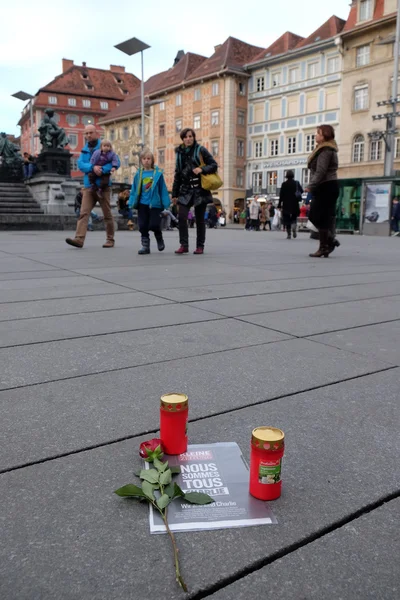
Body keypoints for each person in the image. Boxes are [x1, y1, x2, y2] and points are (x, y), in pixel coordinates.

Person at [65, 125, 120, 249]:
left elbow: (116, 162)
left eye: (91, 132)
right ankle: (79, 239)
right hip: (89, 186)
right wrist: (92, 168)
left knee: (107, 213)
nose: (88, 135)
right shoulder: (84, 150)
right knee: (84, 213)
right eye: (86, 133)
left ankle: (110, 239)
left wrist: (103, 169)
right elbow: (80, 165)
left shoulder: (106, 146)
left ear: (96, 134)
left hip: (103, 186)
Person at [172, 127, 218, 254]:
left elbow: (214, 165)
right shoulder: (180, 154)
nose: (188, 139)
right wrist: (174, 194)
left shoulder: (200, 150)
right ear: (182, 139)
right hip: (185, 189)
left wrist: (202, 169)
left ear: (194, 137)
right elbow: (178, 175)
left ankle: (200, 246)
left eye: (190, 136)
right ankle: (184, 244)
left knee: (199, 219)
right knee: (181, 216)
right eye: (186, 137)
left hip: (200, 188)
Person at [128, 149, 170, 255]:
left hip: (155, 204)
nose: (146, 161)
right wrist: (132, 202)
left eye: (148, 158)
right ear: (141, 160)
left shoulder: (158, 174)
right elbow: (134, 189)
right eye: (144, 159)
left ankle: (159, 237)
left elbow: (163, 189)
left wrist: (166, 204)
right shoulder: (139, 174)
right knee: (142, 226)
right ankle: (145, 246)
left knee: (154, 225)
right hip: (142, 204)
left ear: (152, 160)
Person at [306, 125, 339, 258]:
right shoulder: (324, 149)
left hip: (326, 186)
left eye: (318, 133)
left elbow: (321, 170)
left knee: (315, 216)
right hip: (326, 186)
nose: (316, 135)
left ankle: (328, 243)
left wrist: (311, 185)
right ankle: (325, 246)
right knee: (322, 218)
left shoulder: (325, 150)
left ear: (324, 135)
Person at [278, 170, 303, 239]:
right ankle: (294, 226)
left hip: (286, 204)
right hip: (294, 203)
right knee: (294, 217)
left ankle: (289, 234)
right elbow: (301, 190)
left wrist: (279, 205)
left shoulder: (284, 184)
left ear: (286, 176)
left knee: (287, 219)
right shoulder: (296, 183)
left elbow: (281, 195)